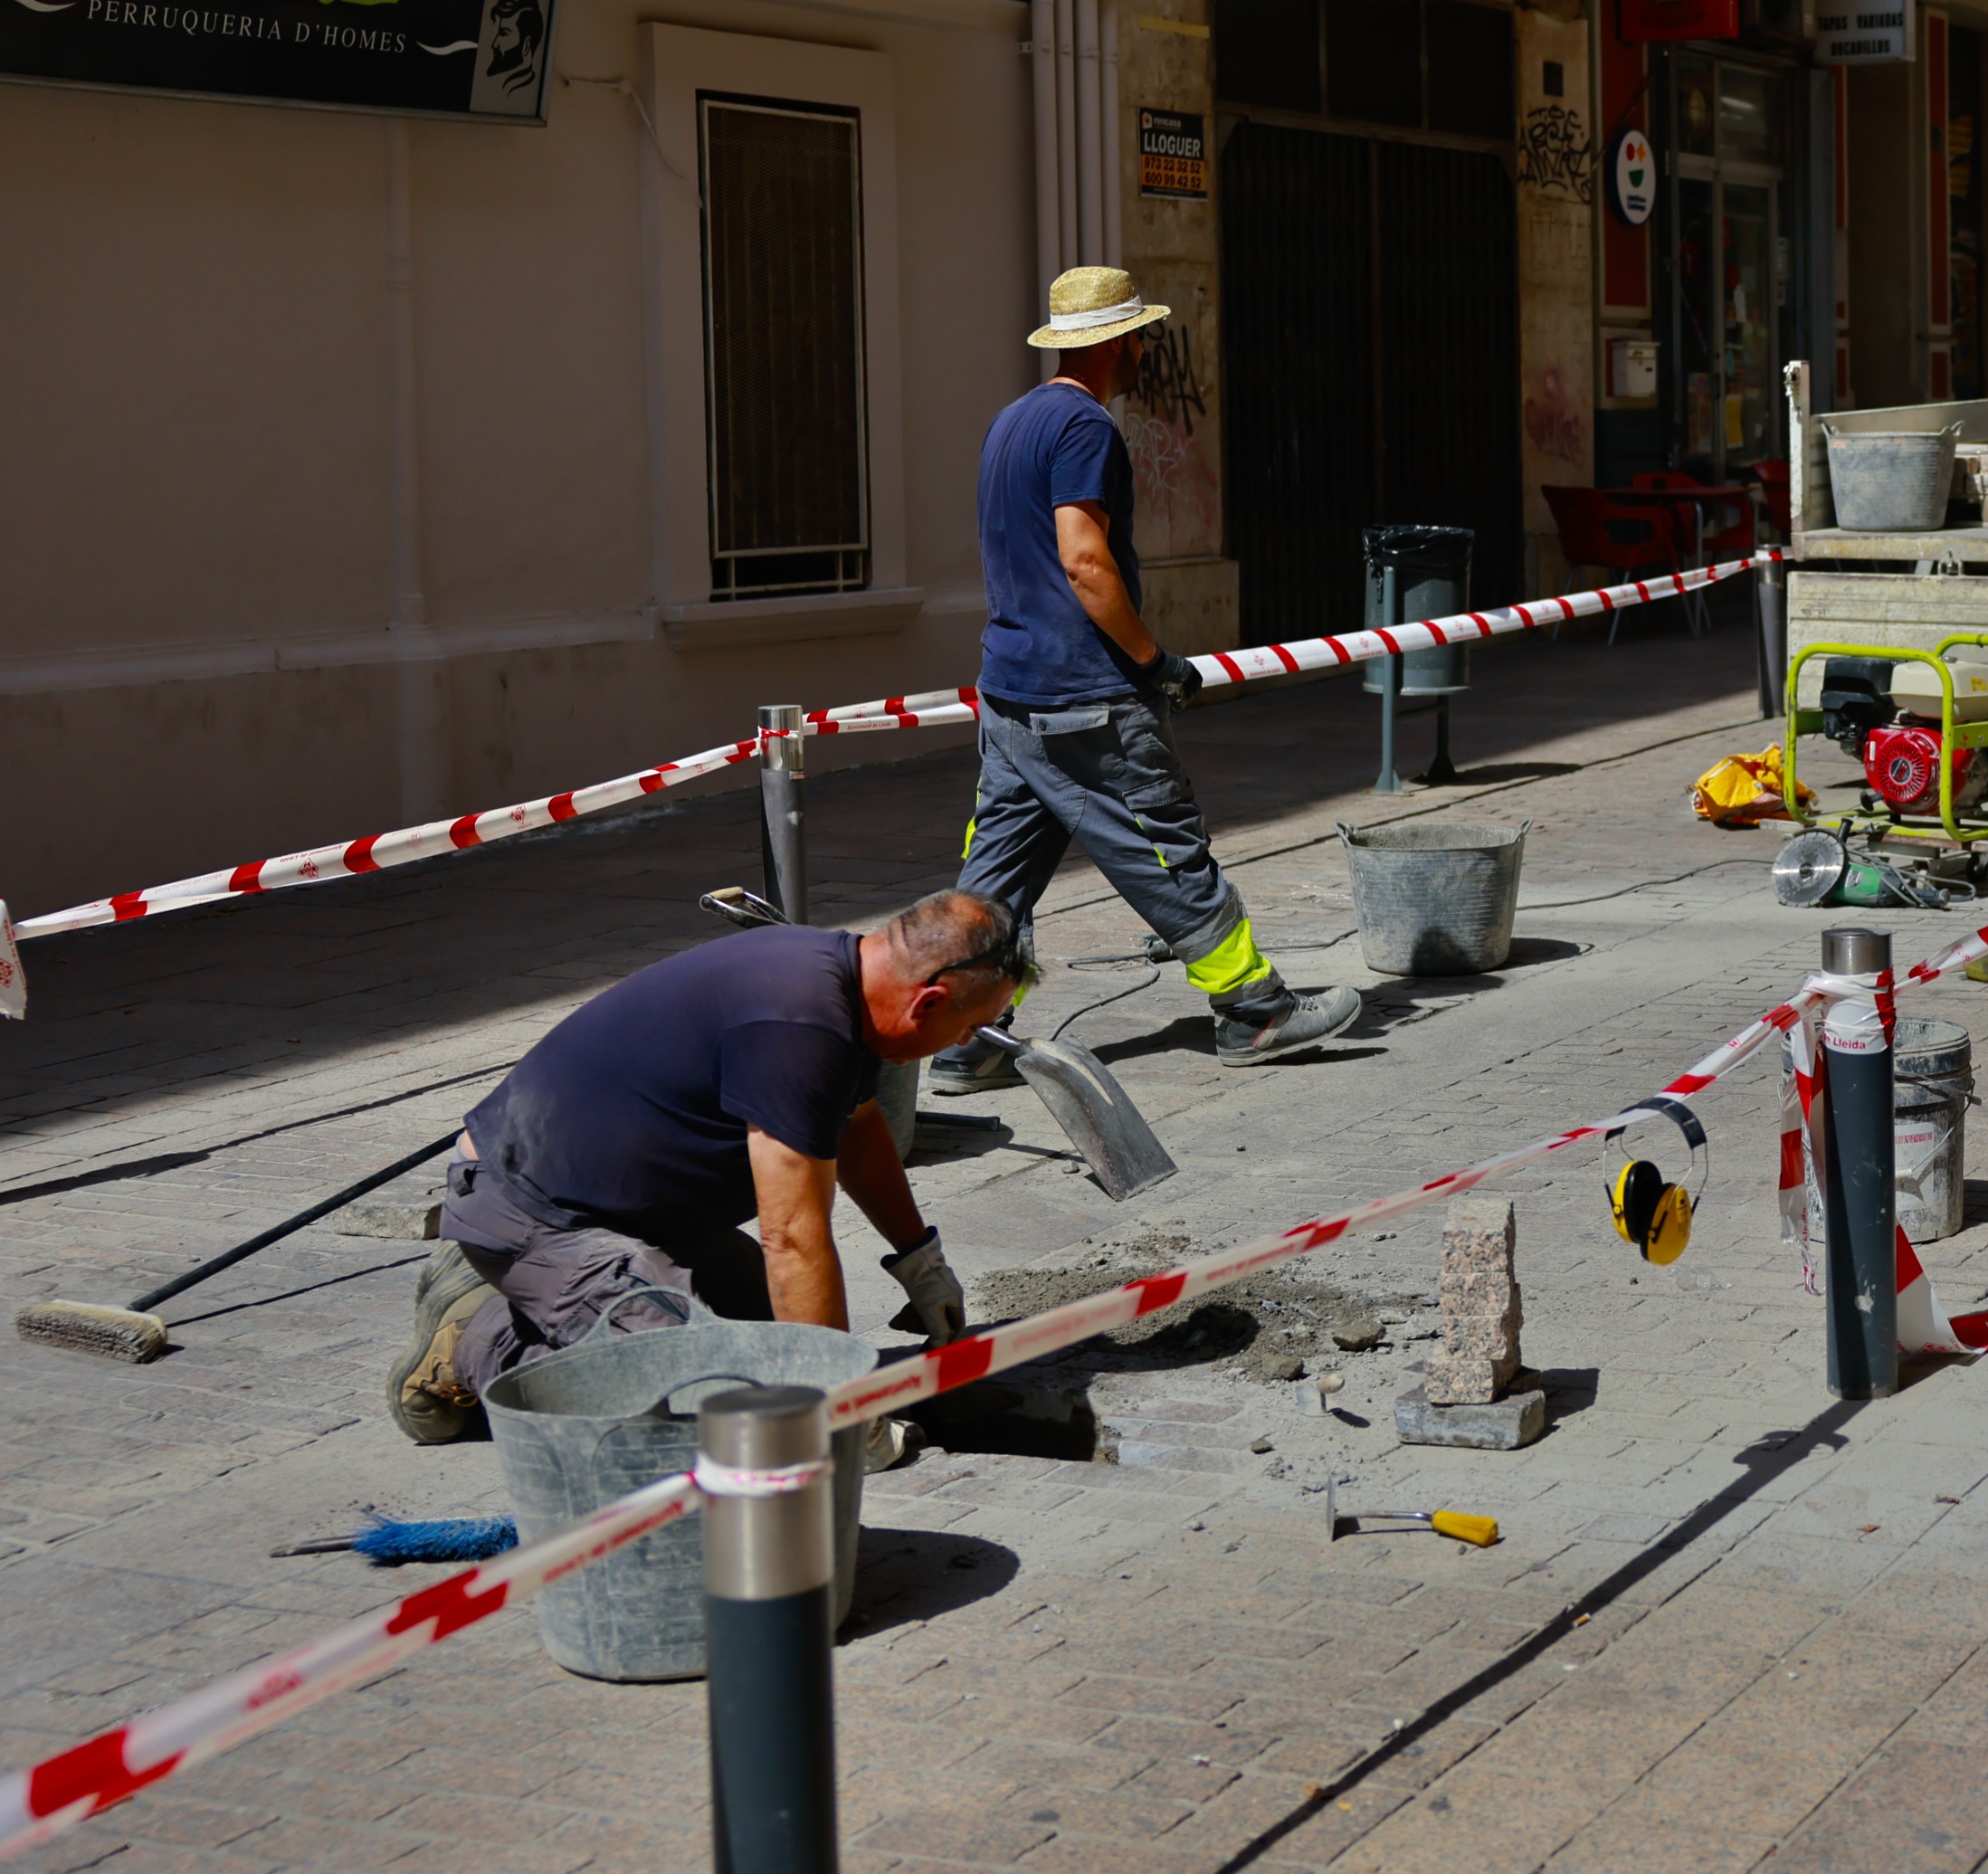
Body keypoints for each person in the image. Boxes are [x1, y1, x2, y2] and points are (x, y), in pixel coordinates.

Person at [387, 890, 1023, 1442]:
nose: (965, 1044)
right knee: (709, 1399)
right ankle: (475, 1343)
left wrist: (918, 1257)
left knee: (766, 1341)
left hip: (632, 1215)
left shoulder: (841, 979)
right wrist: (838, 1414)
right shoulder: (797, 1024)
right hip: (534, 1212)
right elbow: (793, 1239)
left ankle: (533, 1296)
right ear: (930, 1001)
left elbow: (856, 1129)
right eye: (973, 1026)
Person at [939, 265, 1361, 1092]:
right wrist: (1150, 659)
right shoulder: (1085, 428)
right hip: (1084, 696)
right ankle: (1254, 1010)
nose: (1144, 352)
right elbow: (1084, 559)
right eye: (1140, 338)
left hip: (1011, 696)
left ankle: (961, 1036)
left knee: (994, 877)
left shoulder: (1011, 422)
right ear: (1121, 342)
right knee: (1164, 849)